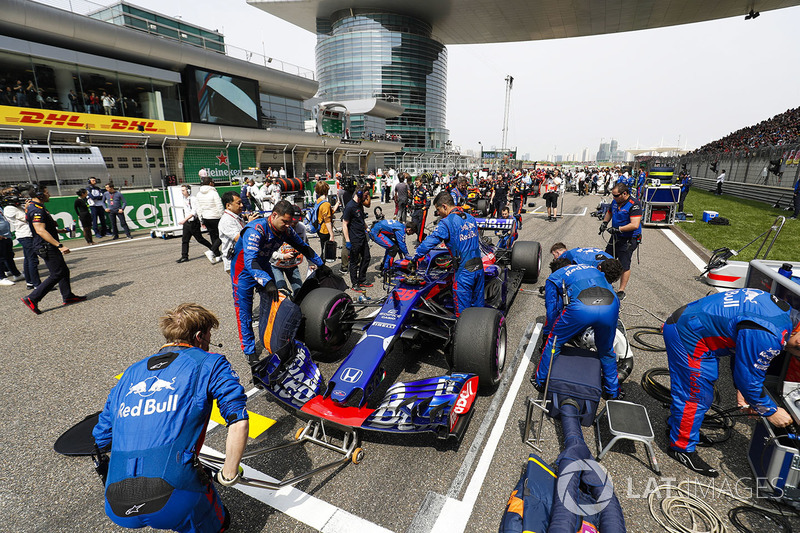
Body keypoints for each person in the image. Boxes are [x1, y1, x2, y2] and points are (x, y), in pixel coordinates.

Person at [92, 303, 248, 533]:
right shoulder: (209, 362)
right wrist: (228, 474)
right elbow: (238, 419)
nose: (208, 343)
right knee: (217, 522)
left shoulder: (131, 372)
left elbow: (102, 438)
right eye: (208, 336)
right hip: (174, 498)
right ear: (198, 336)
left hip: (117, 502)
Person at [662, 289, 800, 477]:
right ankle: (681, 447)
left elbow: (743, 347)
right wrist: (770, 411)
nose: (795, 356)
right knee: (695, 396)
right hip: (689, 334)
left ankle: (678, 427)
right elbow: (749, 379)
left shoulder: (785, 314)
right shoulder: (771, 333)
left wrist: (743, 389)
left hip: (694, 325)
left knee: (701, 393)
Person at [231, 200, 324, 367]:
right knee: (244, 311)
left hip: (263, 265)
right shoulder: (255, 229)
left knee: (274, 302)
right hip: (242, 271)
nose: (288, 225)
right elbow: (250, 261)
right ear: (274, 215)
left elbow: (303, 247)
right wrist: (267, 282)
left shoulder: (285, 230)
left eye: (290, 222)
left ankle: (272, 338)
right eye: (285, 221)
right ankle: (250, 351)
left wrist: (321, 265)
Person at [532, 257, 624, 399]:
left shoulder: (554, 277)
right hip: (610, 305)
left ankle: (541, 380)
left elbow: (551, 311)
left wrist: (549, 332)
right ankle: (613, 391)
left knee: (554, 342)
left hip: (582, 308)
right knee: (606, 350)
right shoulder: (592, 268)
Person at [412, 191, 484, 316]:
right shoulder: (470, 217)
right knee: (478, 310)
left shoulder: (447, 222)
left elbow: (430, 242)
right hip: (479, 268)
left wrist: (415, 256)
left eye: (438, 209)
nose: (438, 213)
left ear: (445, 206)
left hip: (464, 273)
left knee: (463, 316)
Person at [20, 184, 85, 314]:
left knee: (63, 271)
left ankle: (68, 296)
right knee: (57, 273)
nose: (49, 194)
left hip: (47, 244)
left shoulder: (37, 207)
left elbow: (43, 227)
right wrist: (59, 245)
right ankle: (32, 298)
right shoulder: (36, 210)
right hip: (46, 246)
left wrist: (61, 230)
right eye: (46, 192)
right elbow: (40, 230)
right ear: (39, 195)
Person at [599, 183, 641, 301]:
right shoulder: (615, 201)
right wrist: (604, 223)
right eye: (613, 195)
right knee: (606, 259)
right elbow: (609, 212)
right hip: (616, 236)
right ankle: (606, 283)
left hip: (628, 238)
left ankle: (621, 290)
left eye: (616, 195)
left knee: (624, 264)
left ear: (624, 194)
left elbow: (635, 224)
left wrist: (619, 229)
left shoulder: (634, 205)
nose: (614, 197)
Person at [3, 187, 40, 289]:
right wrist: (28, 207)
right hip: (25, 235)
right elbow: (27, 218)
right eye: (16, 195)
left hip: (28, 234)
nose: (19, 197)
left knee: (28, 259)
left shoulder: (18, 206)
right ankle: (37, 284)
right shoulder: (9, 208)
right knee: (33, 260)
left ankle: (30, 282)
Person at [270, 205, 308, 295]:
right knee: (281, 290)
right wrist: (282, 256)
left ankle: (297, 307)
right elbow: (268, 251)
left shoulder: (301, 228)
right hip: (276, 264)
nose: (293, 224)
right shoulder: (276, 227)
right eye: (291, 221)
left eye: (296, 221)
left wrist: (311, 262)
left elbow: (305, 245)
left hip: (292, 264)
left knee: (299, 290)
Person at [342, 186, 372, 292]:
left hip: (362, 237)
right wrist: (348, 241)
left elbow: (361, 219)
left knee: (367, 257)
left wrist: (367, 229)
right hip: (354, 239)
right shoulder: (350, 207)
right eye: (365, 195)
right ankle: (354, 283)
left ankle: (362, 279)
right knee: (354, 262)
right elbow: (344, 224)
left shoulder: (360, 205)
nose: (366, 197)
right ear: (359, 194)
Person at [218, 192, 256, 273]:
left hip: (242, 258)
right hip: (234, 261)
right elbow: (238, 238)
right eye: (238, 203)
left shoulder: (236, 216)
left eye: (242, 202)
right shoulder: (226, 220)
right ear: (228, 206)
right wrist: (249, 224)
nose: (242, 205)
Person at [176, 185, 215, 264]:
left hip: (193, 223)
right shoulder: (184, 199)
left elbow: (194, 212)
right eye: (182, 190)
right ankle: (184, 256)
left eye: (183, 190)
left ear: (188, 191)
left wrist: (184, 220)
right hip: (187, 223)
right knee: (184, 240)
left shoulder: (193, 199)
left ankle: (214, 249)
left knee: (200, 239)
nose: (182, 192)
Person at [196, 174, 224, 263]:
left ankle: (217, 256)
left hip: (206, 217)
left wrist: (201, 218)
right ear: (210, 183)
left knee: (213, 236)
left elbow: (198, 207)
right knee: (222, 235)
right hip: (215, 216)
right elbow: (219, 205)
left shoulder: (198, 194)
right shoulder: (213, 192)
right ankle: (211, 251)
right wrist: (223, 216)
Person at [311, 181, 335, 258]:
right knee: (325, 252)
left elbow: (327, 212)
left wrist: (337, 204)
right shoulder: (326, 204)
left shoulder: (318, 201)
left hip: (319, 227)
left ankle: (321, 267)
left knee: (323, 249)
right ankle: (320, 268)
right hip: (325, 230)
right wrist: (332, 235)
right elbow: (327, 220)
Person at [409, 178, 430, 242]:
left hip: (422, 210)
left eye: (417, 183)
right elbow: (412, 198)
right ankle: (423, 235)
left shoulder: (425, 191)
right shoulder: (415, 190)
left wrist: (423, 209)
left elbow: (428, 202)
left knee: (420, 227)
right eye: (415, 183)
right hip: (415, 209)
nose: (416, 184)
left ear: (421, 182)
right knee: (413, 226)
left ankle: (419, 241)